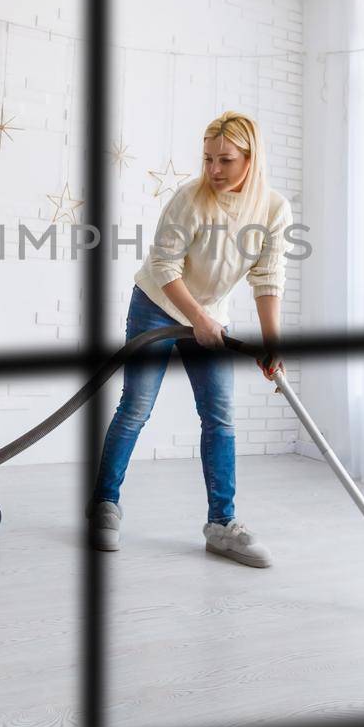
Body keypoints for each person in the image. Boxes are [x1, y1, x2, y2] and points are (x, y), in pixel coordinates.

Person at [89, 110, 292, 567]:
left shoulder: (274, 209)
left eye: (225, 160)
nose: (214, 170)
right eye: (207, 159)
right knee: (136, 408)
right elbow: (163, 267)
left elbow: (267, 278)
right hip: (156, 307)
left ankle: (222, 525)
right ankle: (104, 505)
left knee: (219, 418)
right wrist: (197, 318)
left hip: (209, 317)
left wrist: (271, 341)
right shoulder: (191, 199)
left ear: (250, 159)